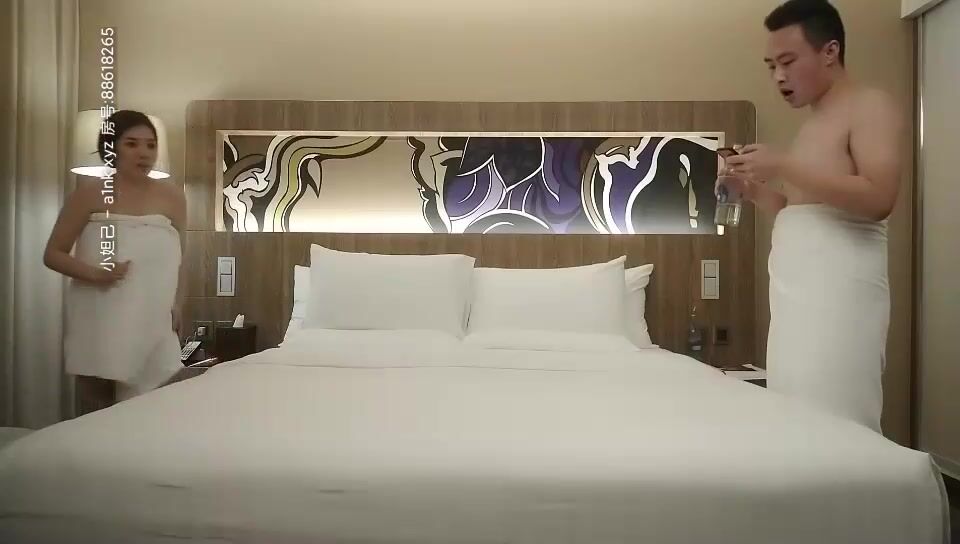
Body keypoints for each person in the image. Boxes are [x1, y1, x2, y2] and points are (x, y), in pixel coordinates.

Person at [723, 0, 903, 431]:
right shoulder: (813, 124)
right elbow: (801, 214)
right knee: (797, 415)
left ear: (830, 52)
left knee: (837, 415)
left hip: (839, 300)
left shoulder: (869, 105)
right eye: (771, 66)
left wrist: (783, 164)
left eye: (788, 62)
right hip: (795, 302)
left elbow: (880, 197)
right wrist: (751, 190)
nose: (778, 77)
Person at [44, 110, 187, 411]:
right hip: (99, 311)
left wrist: (178, 304)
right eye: (132, 144)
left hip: (152, 313)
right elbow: (53, 254)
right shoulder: (88, 196)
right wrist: (98, 274)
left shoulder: (173, 197)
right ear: (112, 148)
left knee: (152, 405)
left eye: (150, 145)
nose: (144, 153)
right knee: (98, 405)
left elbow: (179, 257)